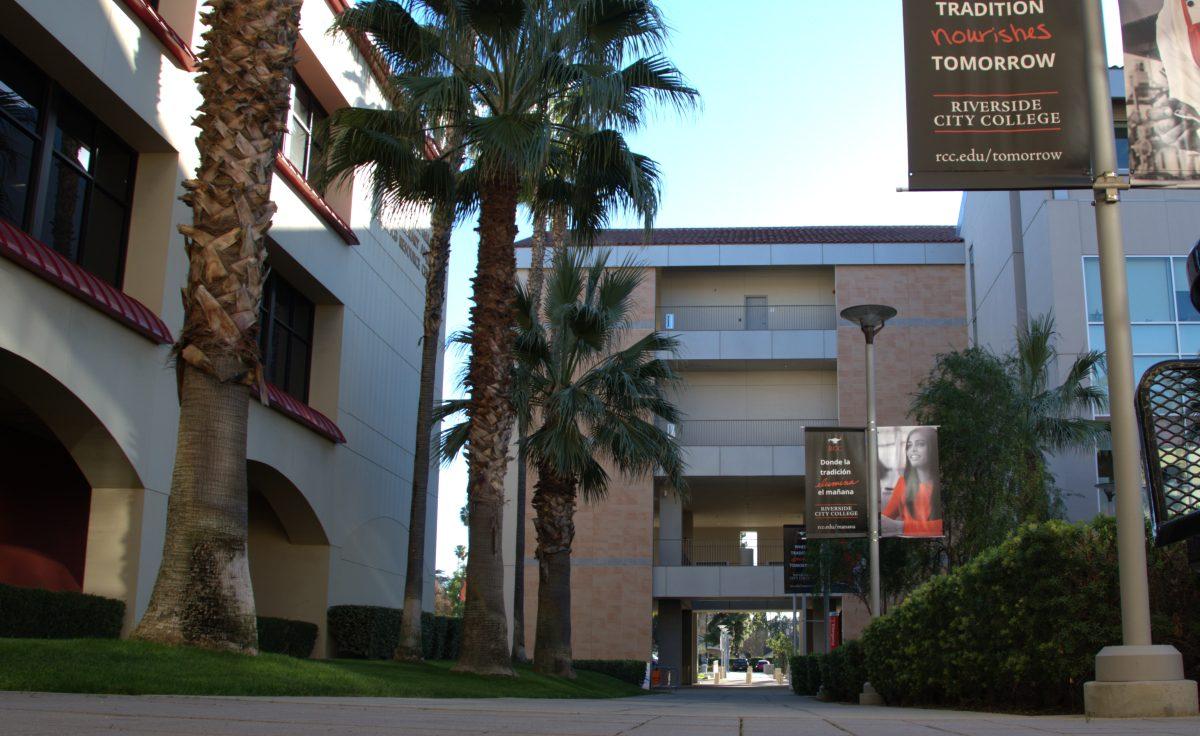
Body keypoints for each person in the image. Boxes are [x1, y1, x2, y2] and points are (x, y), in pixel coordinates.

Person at [881, 427, 942, 537]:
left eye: (920, 444)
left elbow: (943, 526)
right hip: (906, 546)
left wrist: (901, 527)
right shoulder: (903, 482)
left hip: (936, 544)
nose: (912, 449)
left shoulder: (943, 483)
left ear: (933, 448)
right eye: (909, 445)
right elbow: (886, 520)